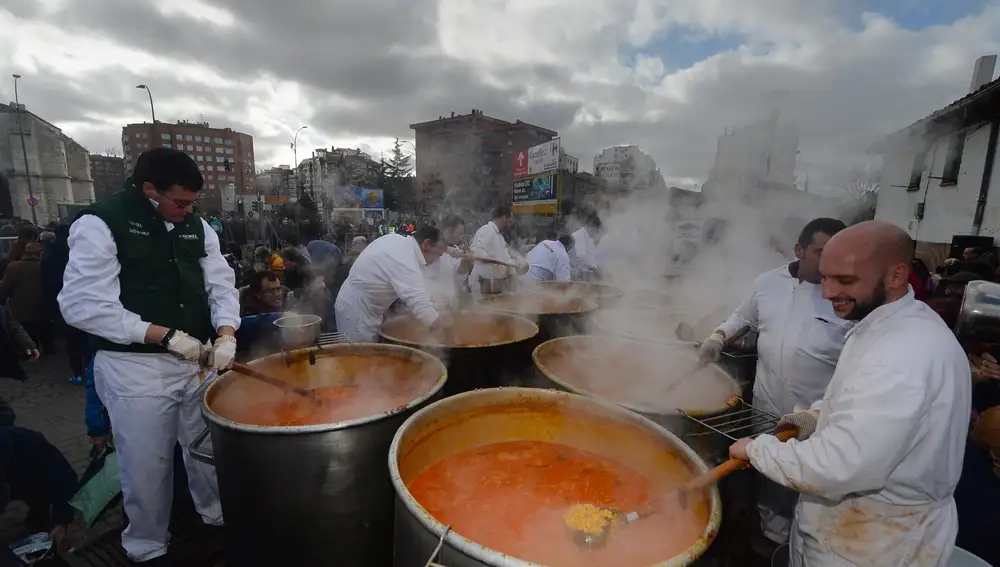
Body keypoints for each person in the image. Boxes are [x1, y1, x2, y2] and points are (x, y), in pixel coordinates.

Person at [729, 220, 972, 567]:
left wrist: (756, 449)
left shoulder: (903, 353)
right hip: (854, 529)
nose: (827, 292)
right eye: (826, 276)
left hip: (871, 544)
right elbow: (862, 399)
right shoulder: (886, 324)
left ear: (897, 275)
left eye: (845, 280)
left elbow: (837, 466)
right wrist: (817, 415)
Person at [58, 148, 240, 566]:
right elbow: (82, 304)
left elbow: (221, 287)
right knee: (146, 466)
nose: (188, 210)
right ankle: (147, 547)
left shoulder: (197, 227)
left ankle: (214, 520)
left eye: (192, 202)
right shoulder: (101, 222)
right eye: (180, 202)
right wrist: (161, 335)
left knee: (205, 451)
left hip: (197, 364)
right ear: (149, 191)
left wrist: (226, 334)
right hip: (133, 369)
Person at [699, 217, 850, 553]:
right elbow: (742, 317)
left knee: (810, 488)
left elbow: (860, 366)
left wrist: (821, 413)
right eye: (820, 253)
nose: (829, 264)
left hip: (816, 417)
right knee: (768, 478)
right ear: (799, 250)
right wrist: (718, 337)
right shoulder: (768, 283)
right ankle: (769, 540)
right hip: (765, 405)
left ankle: (803, 545)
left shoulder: (844, 295)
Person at [334, 226, 447, 342]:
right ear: (427, 244)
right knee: (358, 356)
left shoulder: (399, 241)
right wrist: (444, 336)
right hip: (357, 313)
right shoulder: (406, 259)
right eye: (438, 254)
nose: (436, 260)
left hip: (361, 306)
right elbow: (421, 305)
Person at [0, 426, 79, 555]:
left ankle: (38, 522)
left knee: (40, 491)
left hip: (25, 479)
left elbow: (66, 480)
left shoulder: (31, 445)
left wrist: (61, 522)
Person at [0, 242, 54, 354]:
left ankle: (30, 349)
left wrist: (3, 300)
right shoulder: (45, 266)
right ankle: (49, 348)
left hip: (19, 308)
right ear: (41, 253)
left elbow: (5, 287)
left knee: (26, 330)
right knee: (44, 329)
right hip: (41, 305)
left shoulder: (13, 267)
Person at [469, 206, 525, 293]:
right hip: (482, 284)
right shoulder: (486, 230)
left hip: (495, 285)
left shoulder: (500, 237)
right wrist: (497, 262)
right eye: (509, 222)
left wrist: (515, 266)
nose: (510, 226)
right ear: (503, 218)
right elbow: (476, 253)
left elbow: (507, 260)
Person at [422, 216, 473, 307]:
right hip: (430, 305)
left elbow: (459, 273)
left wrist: (466, 260)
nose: (460, 237)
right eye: (459, 233)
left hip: (449, 305)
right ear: (449, 230)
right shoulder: (430, 247)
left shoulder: (456, 249)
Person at [571, 215, 602, 280]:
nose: (596, 233)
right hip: (574, 272)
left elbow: (593, 256)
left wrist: (598, 266)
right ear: (590, 227)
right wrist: (594, 268)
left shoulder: (589, 237)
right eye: (596, 231)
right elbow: (581, 256)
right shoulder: (578, 236)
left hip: (584, 272)